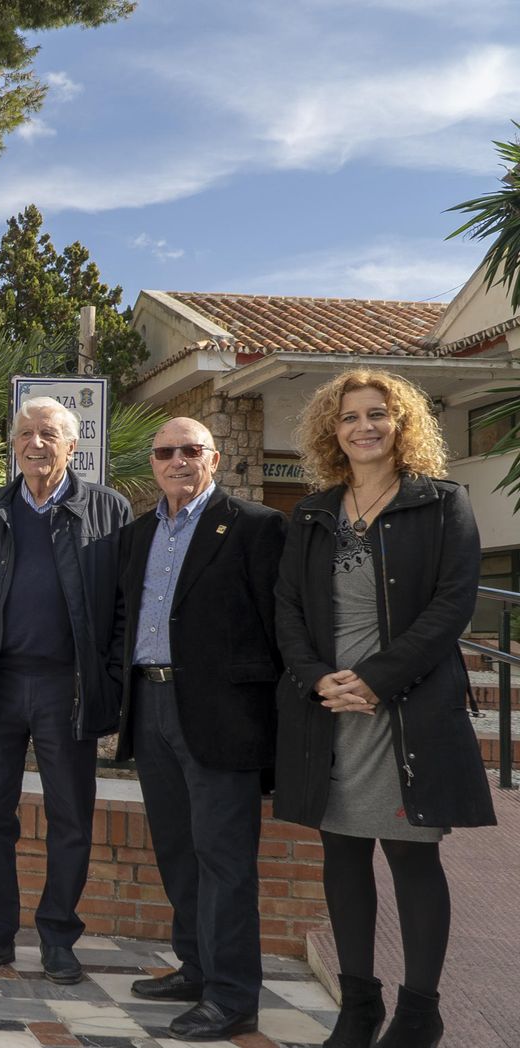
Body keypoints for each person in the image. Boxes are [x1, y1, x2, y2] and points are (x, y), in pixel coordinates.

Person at [275, 370, 494, 1048]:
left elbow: (451, 607)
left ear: (403, 424)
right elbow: (287, 609)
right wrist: (317, 680)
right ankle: (359, 1006)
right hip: (330, 713)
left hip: (405, 713)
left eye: (378, 414)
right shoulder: (312, 512)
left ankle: (420, 1012)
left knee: (410, 855)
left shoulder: (442, 504)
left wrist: (375, 680)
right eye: (350, 417)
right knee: (341, 854)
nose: (364, 427)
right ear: (330, 431)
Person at [0, 397, 130, 983]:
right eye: (25, 433)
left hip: (64, 686)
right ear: (14, 444)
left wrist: (112, 674)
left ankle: (58, 938)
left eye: (49, 433)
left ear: (73, 446)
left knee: (70, 815)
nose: (36, 443)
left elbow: (124, 602)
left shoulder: (107, 508)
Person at [114, 418, 286, 1041]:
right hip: (152, 706)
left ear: (214, 458)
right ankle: (195, 967)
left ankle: (233, 994)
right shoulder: (139, 533)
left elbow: (278, 627)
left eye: (191, 450)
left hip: (222, 716)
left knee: (225, 860)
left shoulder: (257, 526)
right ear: (153, 463)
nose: (178, 460)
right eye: (166, 452)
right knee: (178, 850)